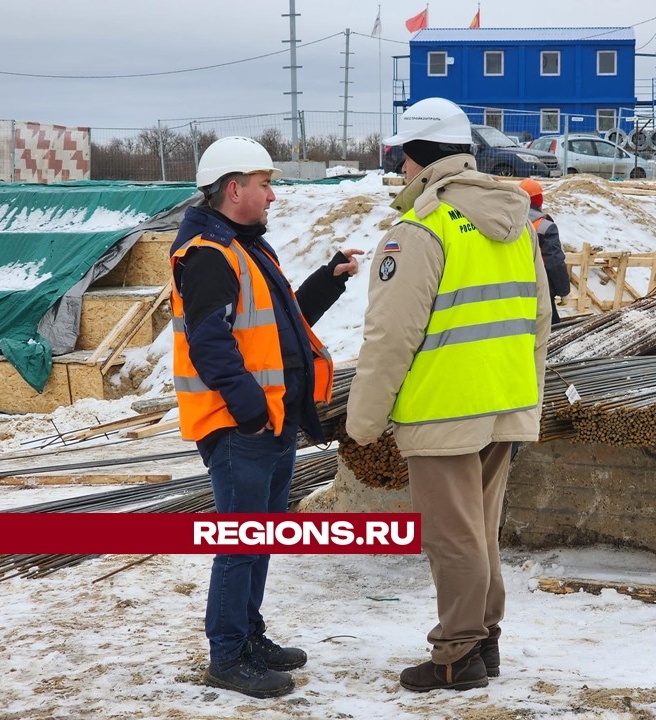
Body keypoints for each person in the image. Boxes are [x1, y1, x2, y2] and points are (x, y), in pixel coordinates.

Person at [345, 98, 551, 693]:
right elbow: (540, 319)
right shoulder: (515, 223)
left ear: (414, 159)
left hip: (442, 410)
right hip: (503, 403)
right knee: (479, 530)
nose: (400, 172)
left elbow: (389, 338)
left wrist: (363, 419)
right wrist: (524, 394)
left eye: (401, 160)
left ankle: (457, 657)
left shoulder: (420, 230)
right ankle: (483, 641)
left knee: (451, 536)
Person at [170, 136, 362, 699]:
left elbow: (282, 322)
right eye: (264, 185)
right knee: (240, 542)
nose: (273, 196)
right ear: (235, 189)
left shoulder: (248, 248)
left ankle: (248, 635)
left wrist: (329, 279)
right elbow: (211, 346)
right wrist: (252, 413)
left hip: (271, 423)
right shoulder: (209, 255)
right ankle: (227, 656)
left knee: (258, 539)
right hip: (241, 428)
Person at [519, 178, 572, 325]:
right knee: (550, 329)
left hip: (514, 286)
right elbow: (554, 262)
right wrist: (563, 290)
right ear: (538, 200)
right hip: (541, 285)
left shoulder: (508, 222)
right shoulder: (545, 226)